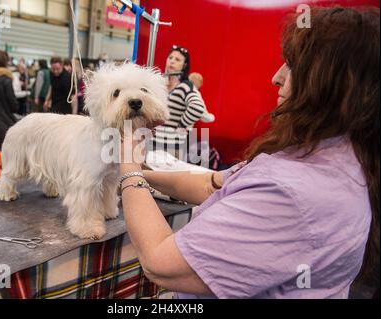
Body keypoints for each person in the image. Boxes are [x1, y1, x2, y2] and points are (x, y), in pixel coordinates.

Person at [118, 7, 379, 298]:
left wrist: (129, 169)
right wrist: (144, 175)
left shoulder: (290, 192)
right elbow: (211, 184)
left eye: (291, 65)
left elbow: (159, 263)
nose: (275, 77)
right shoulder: (337, 156)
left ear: (332, 84)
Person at [153, 45, 206, 160]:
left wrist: (181, 126)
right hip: (152, 143)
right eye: (170, 57)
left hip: (171, 147)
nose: (172, 61)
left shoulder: (185, 86)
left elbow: (197, 108)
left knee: (163, 178)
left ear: (184, 65)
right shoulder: (159, 83)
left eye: (177, 59)